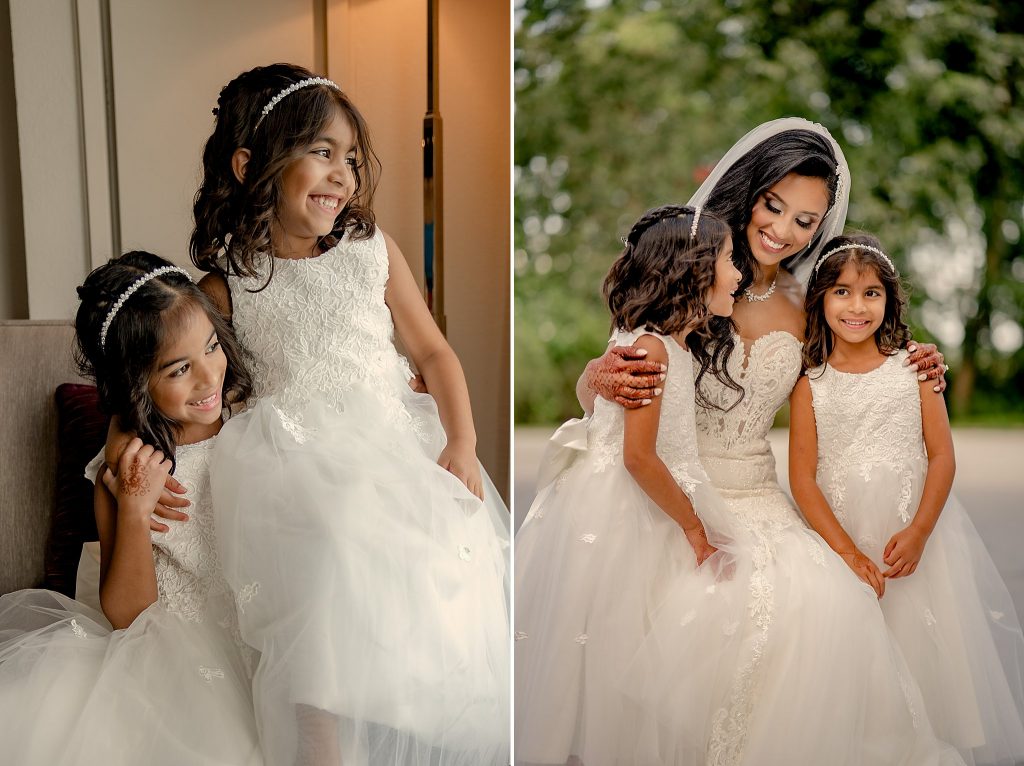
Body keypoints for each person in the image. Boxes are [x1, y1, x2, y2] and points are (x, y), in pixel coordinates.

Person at [577, 119, 963, 763]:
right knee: (693, 620)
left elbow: (863, 352)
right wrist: (595, 376)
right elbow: (619, 390)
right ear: (749, 191)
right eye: (774, 205)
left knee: (819, 610)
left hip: (756, 492)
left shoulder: (811, 302)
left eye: (807, 222)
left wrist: (919, 361)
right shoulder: (693, 271)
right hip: (674, 491)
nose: (784, 231)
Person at [189, 64, 509, 766]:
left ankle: (409, 731)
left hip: (392, 439)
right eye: (322, 154)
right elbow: (200, 391)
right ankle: (320, 747)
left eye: (352, 159)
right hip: (289, 456)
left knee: (434, 555)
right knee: (322, 566)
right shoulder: (225, 284)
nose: (343, 174)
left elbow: (434, 351)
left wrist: (461, 440)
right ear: (252, 166)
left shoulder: (372, 253)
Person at [0, 251, 262, 765]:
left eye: (212, 347)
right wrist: (135, 511)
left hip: (264, 637)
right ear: (136, 383)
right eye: (179, 368)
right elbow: (127, 615)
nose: (208, 378)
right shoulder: (125, 471)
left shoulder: (253, 422)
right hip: (172, 661)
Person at [515, 204, 742, 765]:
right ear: (696, 270)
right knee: (627, 644)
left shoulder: (665, 344)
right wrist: (694, 526)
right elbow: (638, 457)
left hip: (651, 495)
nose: (738, 275)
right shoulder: (655, 349)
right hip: (637, 508)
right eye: (730, 261)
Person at [790, 234, 1024, 765]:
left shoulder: (914, 370)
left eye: (872, 294)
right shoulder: (811, 383)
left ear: (890, 302)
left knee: (921, 645)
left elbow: (943, 457)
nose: (856, 306)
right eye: (843, 292)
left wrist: (920, 531)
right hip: (840, 537)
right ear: (820, 300)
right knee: (854, 654)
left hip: (914, 536)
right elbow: (802, 479)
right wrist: (846, 553)